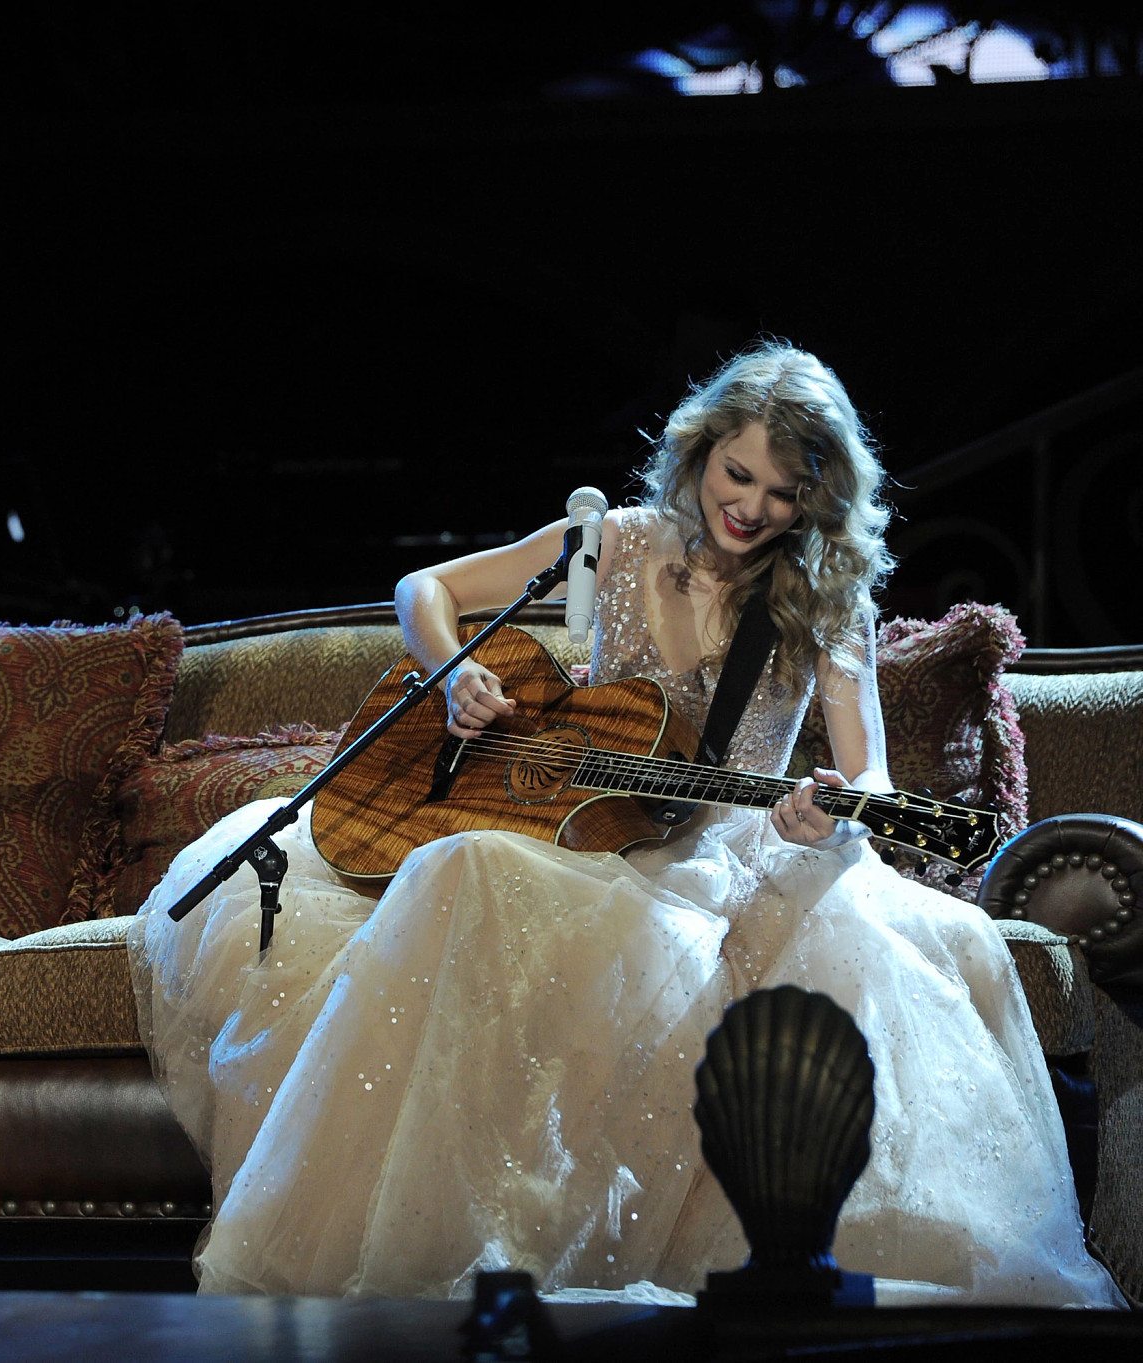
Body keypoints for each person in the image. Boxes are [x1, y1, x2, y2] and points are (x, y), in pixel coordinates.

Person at [129, 342, 1123, 1306]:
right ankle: (444, 1258)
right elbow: (425, 588)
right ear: (700, 450)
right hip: (585, 837)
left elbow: (867, 774)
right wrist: (453, 669)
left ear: (816, 499)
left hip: (731, 860)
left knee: (520, 885)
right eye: (737, 474)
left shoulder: (824, 598)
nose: (751, 507)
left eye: (783, 493)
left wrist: (827, 815)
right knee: (462, 864)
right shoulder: (617, 539)